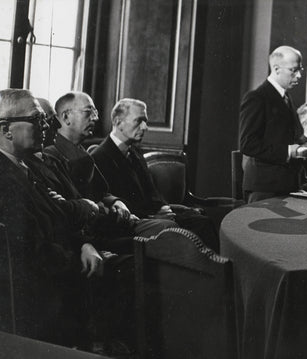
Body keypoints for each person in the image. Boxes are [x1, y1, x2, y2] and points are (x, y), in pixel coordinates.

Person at [0, 89, 105, 346]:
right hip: (36, 298)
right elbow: (29, 250)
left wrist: (83, 244)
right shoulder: (4, 178)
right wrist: (78, 261)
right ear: (6, 130)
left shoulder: (27, 167)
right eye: (37, 119)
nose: (47, 125)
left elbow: (58, 218)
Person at [43, 92, 176, 253]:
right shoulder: (52, 156)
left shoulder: (81, 151)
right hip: (96, 232)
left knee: (170, 230)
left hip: (112, 220)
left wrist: (116, 201)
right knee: (167, 232)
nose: (95, 118)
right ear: (66, 117)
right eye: (88, 112)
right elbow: (79, 208)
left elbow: (101, 191)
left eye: (95, 112)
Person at [90, 98, 220, 252]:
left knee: (202, 221)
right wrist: (154, 216)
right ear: (118, 122)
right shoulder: (100, 156)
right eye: (139, 121)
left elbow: (151, 190)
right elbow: (115, 201)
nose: (145, 127)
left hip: (153, 212)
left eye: (145, 121)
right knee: (177, 228)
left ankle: (216, 271)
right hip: (135, 219)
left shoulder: (135, 151)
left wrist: (163, 207)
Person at [239, 45, 304, 203]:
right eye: (293, 70)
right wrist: (288, 151)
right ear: (276, 68)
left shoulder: (286, 98)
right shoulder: (257, 98)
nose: (299, 75)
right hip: (265, 188)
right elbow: (248, 144)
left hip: (285, 184)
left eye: (300, 69)